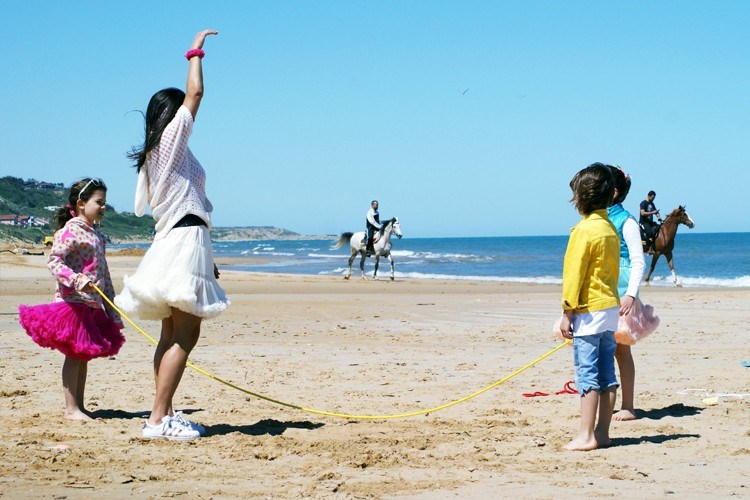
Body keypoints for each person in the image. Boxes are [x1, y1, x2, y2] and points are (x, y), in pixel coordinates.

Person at [115, 30, 229, 440]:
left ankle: (159, 414)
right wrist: (195, 50)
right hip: (182, 240)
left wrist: (206, 255)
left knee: (170, 333)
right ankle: (158, 420)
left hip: (175, 241)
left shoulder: (152, 156)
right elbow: (196, 93)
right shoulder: (171, 142)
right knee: (186, 333)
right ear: (170, 114)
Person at [18, 178, 125, 421]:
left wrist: (111, 304)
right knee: (74, 355)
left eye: (105, 203)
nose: (103, 207)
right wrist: (76, 279)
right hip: (73, 303)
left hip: (92, 304)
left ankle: (80, 405)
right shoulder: (69, 231)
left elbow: (103, 272)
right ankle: (70, 409)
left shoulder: (96, 234)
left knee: (84, 355)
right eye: (99, 202)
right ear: (81, 203)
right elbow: (54, 261)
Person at [558, 163, 620, 451]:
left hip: (588, 310)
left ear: (580, 198)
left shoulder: (584, 230)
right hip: (609, 309)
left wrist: (566, 312)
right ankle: (603, 432)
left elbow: (574, 274)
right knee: (607, 372)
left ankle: (586, 435)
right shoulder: (609, 228)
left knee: (587, 373)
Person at [607, 167, 660, 421]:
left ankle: (627, 405)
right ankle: (604, 401)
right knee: (601, 347)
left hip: (620, 287)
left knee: (620, 350)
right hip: (601, 287)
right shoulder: (595, 218)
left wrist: (630, 294)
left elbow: (638, 261)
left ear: (613, 191)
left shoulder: (626, 221)